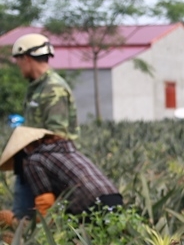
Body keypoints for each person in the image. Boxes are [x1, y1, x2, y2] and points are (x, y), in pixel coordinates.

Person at [9, 33, 79, 220]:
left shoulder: (53, 88)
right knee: (23, 217)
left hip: (47, 165)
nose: (18, 65)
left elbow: (58, 134)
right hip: (32, 162)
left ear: (26, 58)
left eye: (18, 60)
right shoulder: (37, 87)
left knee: (37, 220)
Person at [0, 126, 122, 220]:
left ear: (26, 149)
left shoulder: (34, 160)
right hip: (115, 199)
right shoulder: (67, 150)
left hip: (89, 205)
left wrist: (23, 225)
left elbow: (46, 205)